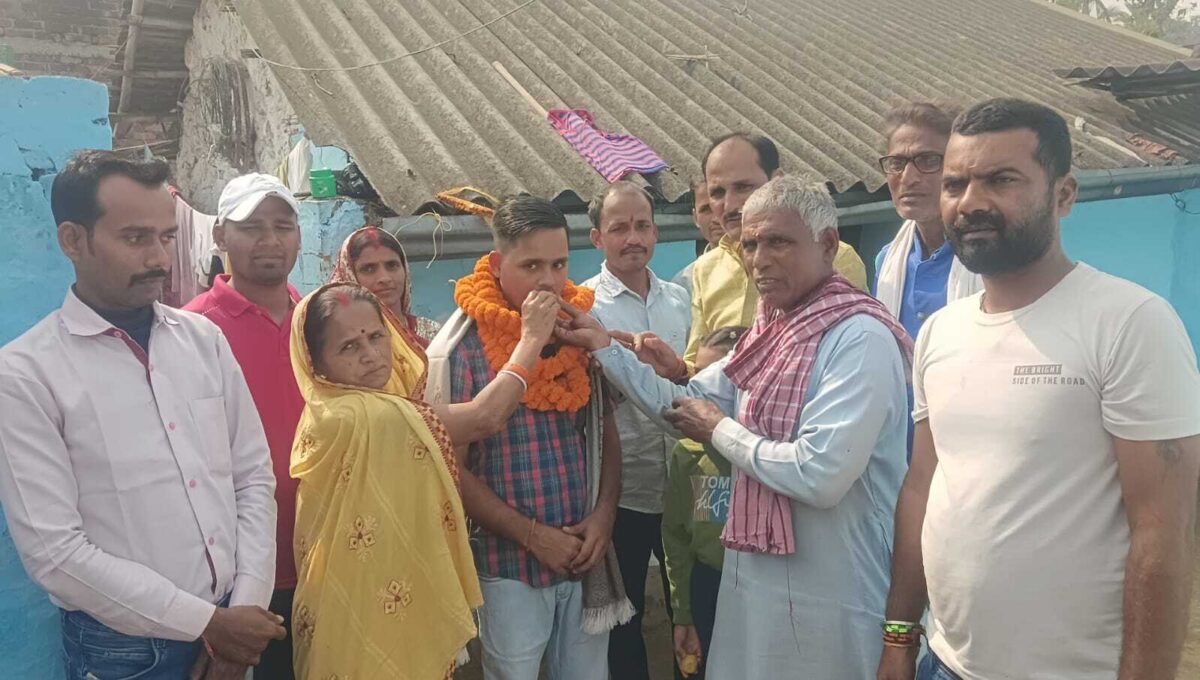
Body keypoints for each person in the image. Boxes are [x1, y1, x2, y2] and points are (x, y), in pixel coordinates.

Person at [876, 98, 1200, 680]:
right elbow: (921, 488)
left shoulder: (1128, 323)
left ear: (1063, 195)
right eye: (955, 184)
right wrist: (899, 636)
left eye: (1001, 180)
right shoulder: (941, 333)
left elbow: (1164, 535)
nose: (971, 202)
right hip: (943, 663)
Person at [557, 175, 911, 679]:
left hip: (835, 595)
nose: (759, 259)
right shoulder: (771, 332)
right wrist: (604, 347)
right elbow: (685, 405)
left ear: (828, 245)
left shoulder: (859, 338)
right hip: (760, 587)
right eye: (750, 244)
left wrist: (720, 430)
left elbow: (820, 475)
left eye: (778, 242)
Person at [0, 151, 284, 680]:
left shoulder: (203, 340)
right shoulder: (26, 374)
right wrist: (209, 624)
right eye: (135, 238)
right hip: (125, 653)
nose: (159, 258)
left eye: (166, 237)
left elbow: (251, 477)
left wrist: (242, 614)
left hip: (233, 622)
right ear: (73, 240)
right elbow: (56, 554)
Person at [425, 195, 631, 680]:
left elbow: (605, 436)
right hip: (507, 567)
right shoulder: (462, 349)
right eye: (531, 265)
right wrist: (534, 537)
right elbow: (452, 470)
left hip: (583, 554)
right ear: (498, 266)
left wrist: (603, 518)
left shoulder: (579, 334)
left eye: (559, 264)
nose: (548, 281)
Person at [286, 283, 493, 678]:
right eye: (349, 347)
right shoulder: (366, 416)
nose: (371, 355)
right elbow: (485, 417)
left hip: (360, 592)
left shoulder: (327, 408)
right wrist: (530, 343)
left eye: (376, 337)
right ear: (316, 363)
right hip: (360, 602)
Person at [182, 172, 304, 680]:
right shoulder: (191, 330)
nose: (270, 240)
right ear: (220, 236)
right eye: (252, 227)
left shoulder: (318, 320)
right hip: (239, 577)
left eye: (283, 226)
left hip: (325, 556)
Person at [581, 181, 691, 680]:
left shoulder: (680, 298)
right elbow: (585, 402)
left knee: (689, 610)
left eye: (642, 225)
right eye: (619, 228)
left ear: (656, 232)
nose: (633, 238)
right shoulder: (586, 305)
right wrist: (625, 375)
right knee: (625, 623)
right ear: (597, 237)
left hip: (684, 488)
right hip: (623, 493)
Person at [683, 133, 868, 370]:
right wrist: (671, 369)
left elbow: (850, 352)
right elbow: (696, 363)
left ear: (777, 181)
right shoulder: (706, 268)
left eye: (743, 187)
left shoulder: (832, 256)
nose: (729, 205)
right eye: (717, 193)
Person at [662, 326, 747, 679]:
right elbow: (677, 538)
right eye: (697, 378)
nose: (703, 394)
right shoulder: (688, 454)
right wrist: (683, 612)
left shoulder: (767, 456)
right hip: (708, 585)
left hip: (758, 588)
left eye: (716, 382)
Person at [873, 101, 980, 340]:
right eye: (896, 163)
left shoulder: (990, 260)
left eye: (928, 160)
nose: (908, 178)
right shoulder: (888, 260)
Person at [327, 225, 441, 346]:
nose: (385, 278)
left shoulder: (435, 335)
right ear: (349, 276)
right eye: (369, 269)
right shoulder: (339, 343)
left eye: (392, 265)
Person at [672, 178, 723, 297]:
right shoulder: (685, 283)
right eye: (706, 210)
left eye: (721, 207)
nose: (716, 219)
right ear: (695, 218)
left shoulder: (758, 268)